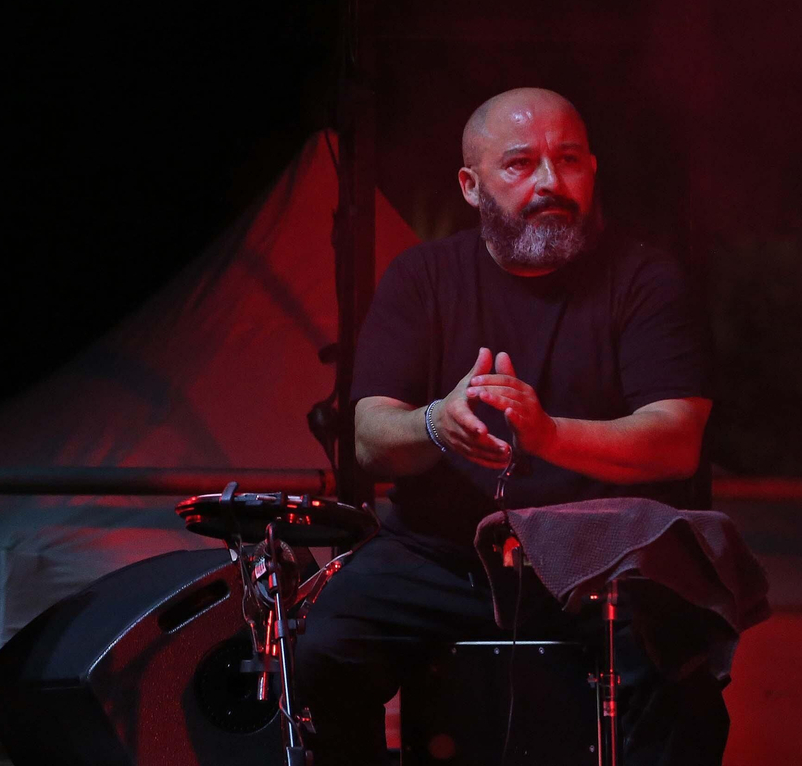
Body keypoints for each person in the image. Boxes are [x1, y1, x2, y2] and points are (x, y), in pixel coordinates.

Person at [296, 87, 726, 764]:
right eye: (521, 164)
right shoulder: (422, 277)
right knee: (322, 657)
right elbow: (369, 435)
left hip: (601, 556)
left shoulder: (647, 279)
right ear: (471, 185)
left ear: (593, 170)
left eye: (570, 160)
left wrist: (549, 434)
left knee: (682, 693)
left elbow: (677, 440)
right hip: (441, 556)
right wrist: (439, 423)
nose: (551, 182)